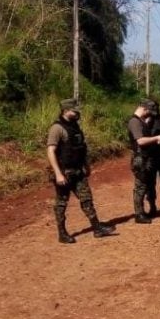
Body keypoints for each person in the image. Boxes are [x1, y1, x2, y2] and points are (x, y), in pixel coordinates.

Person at [46, 98, 115, 244]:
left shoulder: (75, 126)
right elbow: (50, 151)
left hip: (78, 171)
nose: (77, 112)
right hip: (64, 172)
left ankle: (97, 228)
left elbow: (80, 148)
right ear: (66, 111)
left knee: (87, 199)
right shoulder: (57, 128)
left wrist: (86, 165)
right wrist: (58, 174)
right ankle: (62, 233)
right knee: (61, 203)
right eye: (74, 110)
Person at [127, 99, 160, 224]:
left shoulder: (140, 121)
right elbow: (140, 141)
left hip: (145, 158)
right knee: (140, 187)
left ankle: (143, 211)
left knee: (146, 185)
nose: (150, 115)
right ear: (144, 109)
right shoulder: (134, 122)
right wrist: (157, 138)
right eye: (149, 112)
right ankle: (139, 214)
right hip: (140, 158)